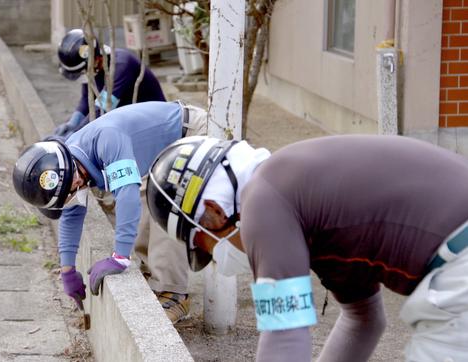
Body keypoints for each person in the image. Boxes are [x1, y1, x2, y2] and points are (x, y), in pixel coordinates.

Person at [146, 134, 468, 361]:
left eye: (209, 247)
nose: (220, 259)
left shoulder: (262, 198)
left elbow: (284, 339)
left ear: (215, 212)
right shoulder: (311, 209)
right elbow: (363, 320)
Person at [12, 101, 207, 323]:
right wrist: (67, 269)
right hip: (162, 152)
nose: (73, 193)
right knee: (146, 199)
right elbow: (72, 211)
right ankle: (154, 278)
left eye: (69, 191)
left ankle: (174, 294)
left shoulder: (107, 138)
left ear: (74, 177)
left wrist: (120, 257)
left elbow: (126, 193)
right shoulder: (72, 160)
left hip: (193, 133)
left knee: (165, 201)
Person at [54, 29, 166, 138]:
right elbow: (87, 99)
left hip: (153, 123)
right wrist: (72, 123)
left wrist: (76, 134)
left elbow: (102, 107)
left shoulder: (121, 65)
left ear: (96, 59)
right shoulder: (93, 68)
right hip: (128, 119)